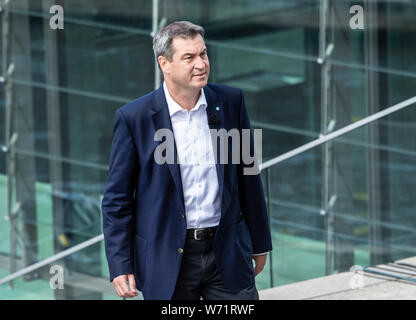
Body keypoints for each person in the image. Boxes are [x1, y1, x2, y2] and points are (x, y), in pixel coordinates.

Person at [101, 21, 273, 300]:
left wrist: (260, 242)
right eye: (189, 57)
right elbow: (116, 200)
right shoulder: (134, 118)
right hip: (167, 259)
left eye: (203, 54)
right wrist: (120, 265)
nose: (201, 64)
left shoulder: (232, 102)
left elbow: (248, 177)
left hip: (226, 251)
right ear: (164, 64)